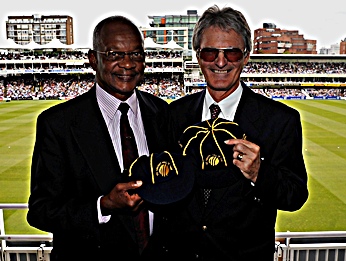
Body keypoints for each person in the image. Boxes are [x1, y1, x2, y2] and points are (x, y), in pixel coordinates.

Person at [146, 5, 309, 261]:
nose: (220, 62)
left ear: (246, 56)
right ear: (198, 56)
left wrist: (259, 172)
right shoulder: (173, 116)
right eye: (210, 53)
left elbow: (295, 195)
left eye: (231, 53)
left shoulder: (280, 120)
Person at [26, 15, 170, 261]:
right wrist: (102, 206)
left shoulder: (162, 112)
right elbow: (41, 211)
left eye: (136, 54)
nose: (128, 64)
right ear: (93, 59)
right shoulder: (58, 124)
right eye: (114, 54)